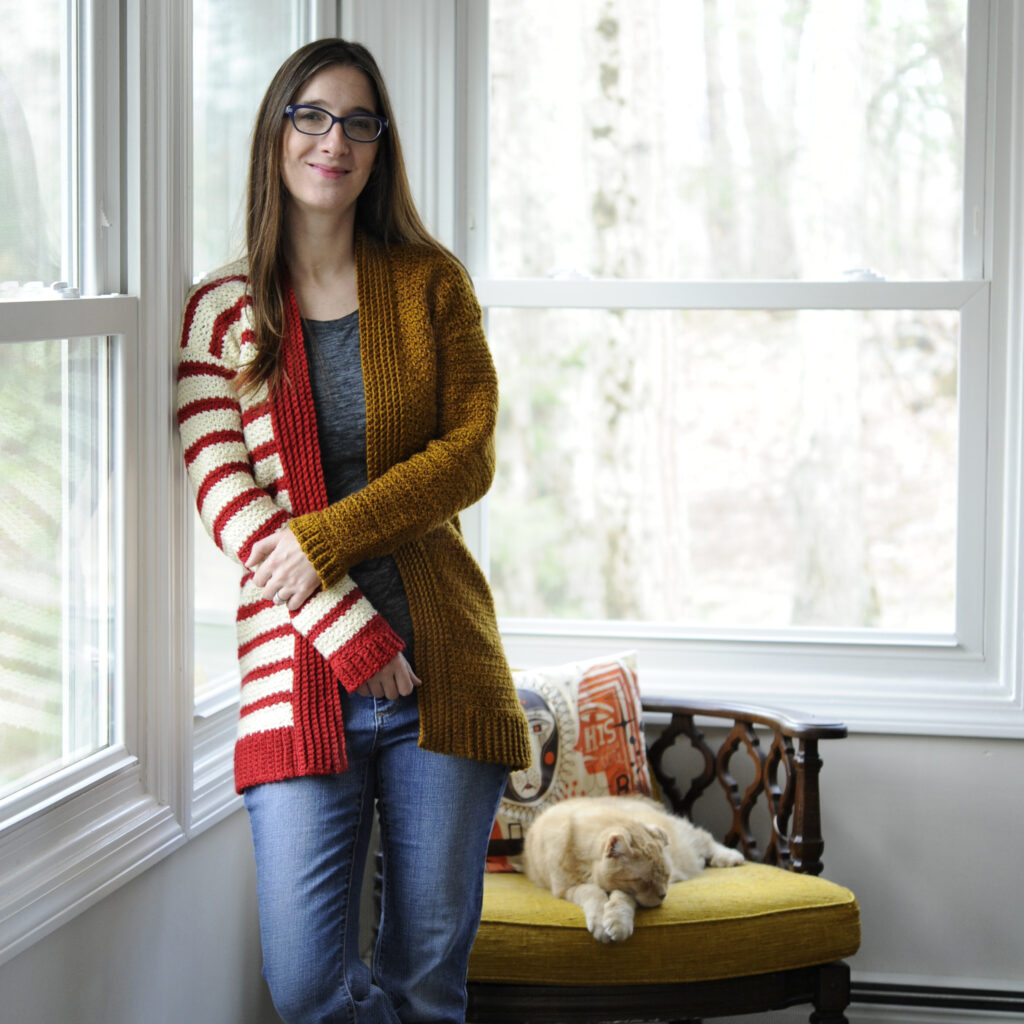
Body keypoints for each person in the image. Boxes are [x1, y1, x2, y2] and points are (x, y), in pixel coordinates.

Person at [176, 37, 531, 1024]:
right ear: (276, 131)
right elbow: (232, 503)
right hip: (299, 680)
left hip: (443, 677)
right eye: (313, 116)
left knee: (426, 986)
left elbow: (469, 454)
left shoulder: (429, 284)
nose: (335, 140)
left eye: (359, 121)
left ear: (381, 146)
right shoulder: (221, 312)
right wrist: (354, 637)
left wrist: (327, 538)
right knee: (306, 988)